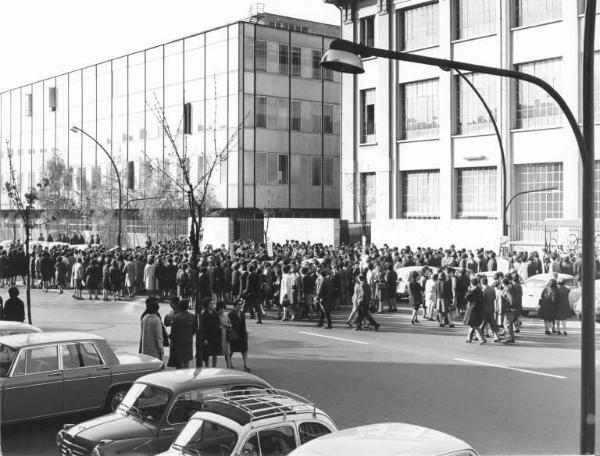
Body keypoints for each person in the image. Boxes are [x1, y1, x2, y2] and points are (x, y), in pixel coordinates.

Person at [170, 299, 197, 369]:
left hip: (179, 341)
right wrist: (189, 334)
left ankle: (182, 374)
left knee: (180, 360)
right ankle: (186, 373)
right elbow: (194, 329)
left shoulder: (176, 318)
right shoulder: (192, 316)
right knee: (186, 360)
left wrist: (172, 340)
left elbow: (173, 332)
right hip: (188, 340)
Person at [229, 299, 250, 371]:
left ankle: (245, 364)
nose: (240, 306)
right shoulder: (231, 314)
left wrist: (245, 332)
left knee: (244, 350)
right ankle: (229, 363)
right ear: (235, 306)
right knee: (231, 350)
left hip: (242, 334)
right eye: (238, 304)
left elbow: (244, 324)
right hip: (234, 334)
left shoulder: (242, 314)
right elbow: (230, 325)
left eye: (241, 304)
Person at [199, 300, 222, 368]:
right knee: (207, 353)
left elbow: (218, 324)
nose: (212, 305)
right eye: (211, 303)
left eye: (213, 303)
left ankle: (214, 367)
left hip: (215, 336)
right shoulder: (204, 314)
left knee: (215, 353)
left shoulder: (215, 313)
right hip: (208, 336)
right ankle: (207, 367)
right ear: (207, 305)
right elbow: (203, 327)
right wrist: (204, 338)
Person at [464, 278, 485, 344]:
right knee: (472, 324)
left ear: (471, 283)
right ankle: (469, 338)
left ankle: (481, 339)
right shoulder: (480, 290)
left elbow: (466, 297)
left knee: (474, 325)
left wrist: (469, 290)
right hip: (479, 309)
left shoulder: (473, 291)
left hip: (473, 309)